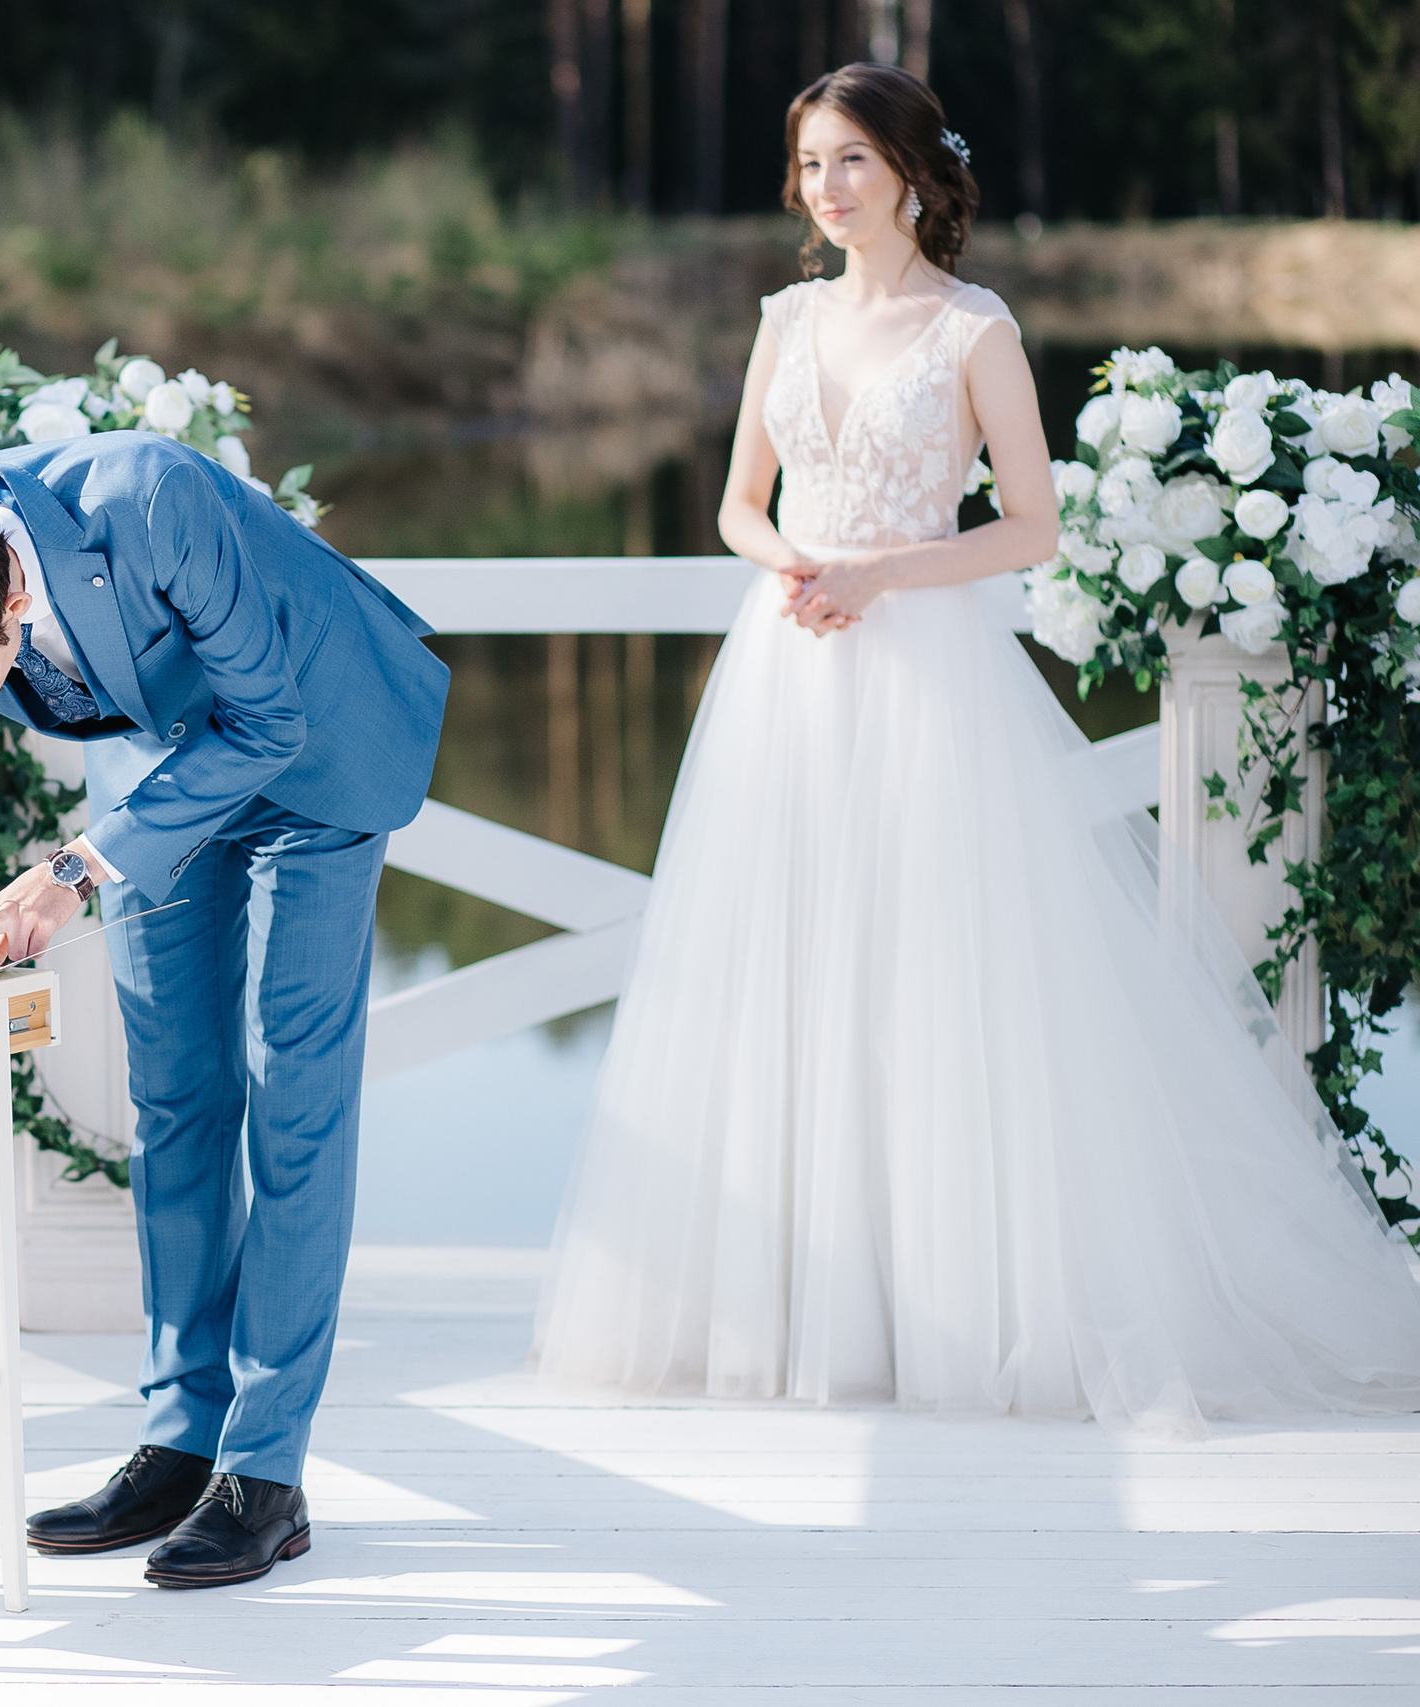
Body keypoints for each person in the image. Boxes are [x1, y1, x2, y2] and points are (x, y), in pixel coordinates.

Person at [534, 63, 1420, 1431]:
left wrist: (882, 571)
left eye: (850, 162)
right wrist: (793, 567)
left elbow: (1031, 525)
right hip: (792, 663)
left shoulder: (975, 330)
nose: (825, 189)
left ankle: (954, 1293)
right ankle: (797, 1295)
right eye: (811, 165)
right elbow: (734, 503)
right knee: (790, 956)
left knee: (940, 969)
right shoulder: (784, 318)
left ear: (911, 173)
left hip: (927, 669)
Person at [0, 430, 448, 1585]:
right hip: (154, 775)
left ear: (12, 601)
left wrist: (68, 876)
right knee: (173, 1097)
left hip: (310, 749)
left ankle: (264, 1474)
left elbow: (266, 727)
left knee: (292, 1102)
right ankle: (178, 1440)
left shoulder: (150, 497)